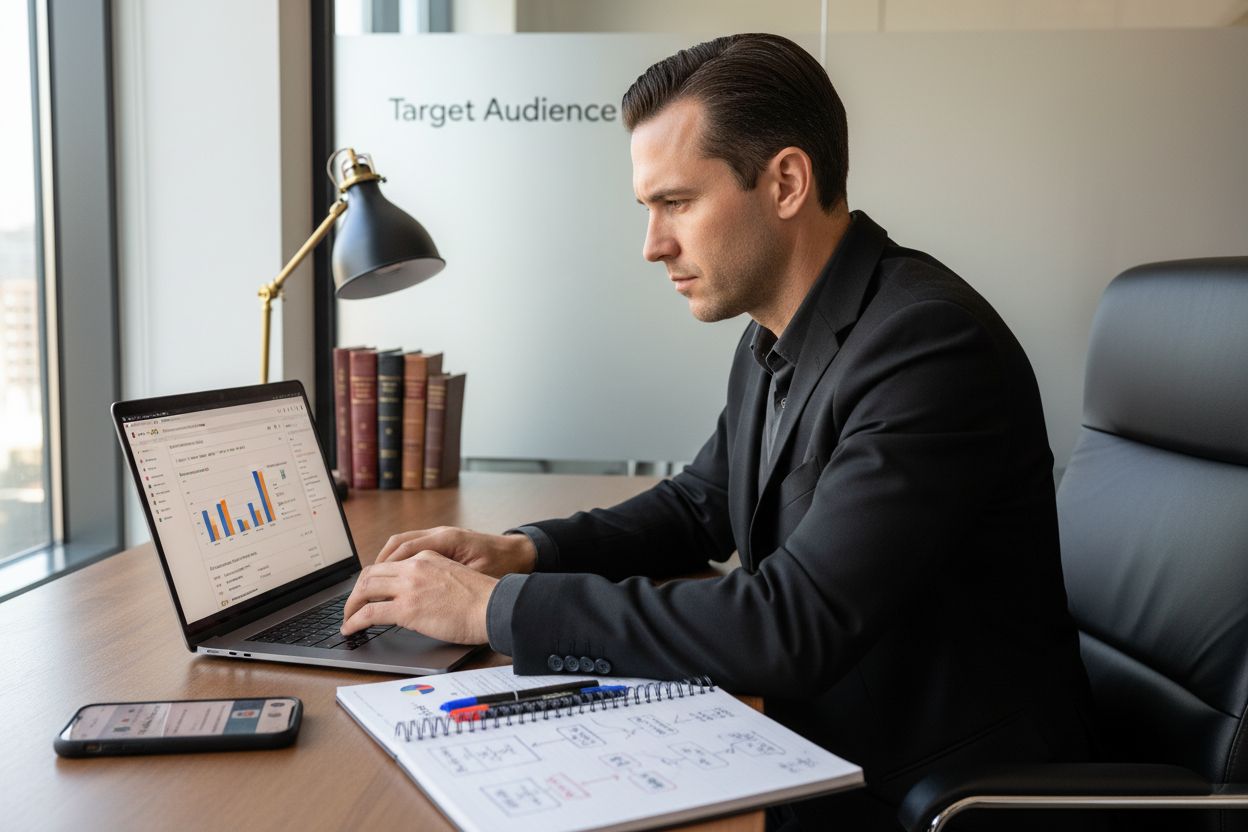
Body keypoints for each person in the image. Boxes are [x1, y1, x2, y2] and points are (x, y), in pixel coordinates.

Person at [341, 33, 1095, 829]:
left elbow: (791, 623)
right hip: (823, 739)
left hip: (933, 793)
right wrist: (525, 550)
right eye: (648, 208)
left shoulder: (927, 346)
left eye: (677, 203)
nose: (652, 244)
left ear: (786, 182)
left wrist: (495, 610)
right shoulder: (779, 330)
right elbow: (699, 504)